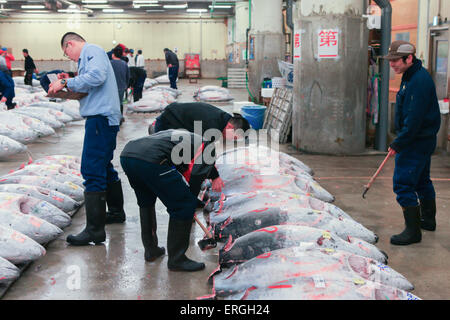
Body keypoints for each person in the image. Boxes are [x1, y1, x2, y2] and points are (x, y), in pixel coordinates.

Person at [48, 32, 126, 244]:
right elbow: (92, 82)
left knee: (91, 169)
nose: (71, 58)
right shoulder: (91, 55)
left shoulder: (92, 51)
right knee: (103, 166)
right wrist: (69, 83)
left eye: (68, 53)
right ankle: (117, 213)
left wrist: (65, 83)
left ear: (70, 44)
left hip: (100, 119)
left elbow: (96, 77)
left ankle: (94, 231)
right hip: (103, 118)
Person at [120, 129, 224, 271]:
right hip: (152, 159)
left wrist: (213, 176)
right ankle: (177, 259)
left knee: (146, 201)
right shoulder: (208, 147)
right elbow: (195, 177)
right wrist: (189, 205)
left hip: (128, 155)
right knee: (184, 205)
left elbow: (195, 169)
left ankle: (151, 250)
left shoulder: (184, 140)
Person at [384, 40, 441, 245]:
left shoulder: (418, 80)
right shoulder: (411, 75)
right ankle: (427, 220)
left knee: (403, 183)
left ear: (409, 58)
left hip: (415, 141)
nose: (392, 65)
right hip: (421, 139)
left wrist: (399, 143)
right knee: (421, 180)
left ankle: (413, 231)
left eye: (396, 61)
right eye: (390, 61)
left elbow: (414, 119)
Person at [148, 102, 250, 142]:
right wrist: (215, 177)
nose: (232, 141)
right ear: (230, 127)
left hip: (175, 118)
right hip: (166, 123)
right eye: (235, 138)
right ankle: (154, 129)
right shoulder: (212, 125)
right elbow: (200, 153)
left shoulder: (222, 118)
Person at [110, 46, 130, 125]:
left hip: (111, 87)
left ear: (113, 54)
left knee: (111, 103)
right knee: (120, 102)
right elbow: (128, 76)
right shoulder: (124, 64)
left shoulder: (109, 63)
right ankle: (120, 118)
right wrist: (126, 85)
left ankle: (112, 119)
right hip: (121, 86)